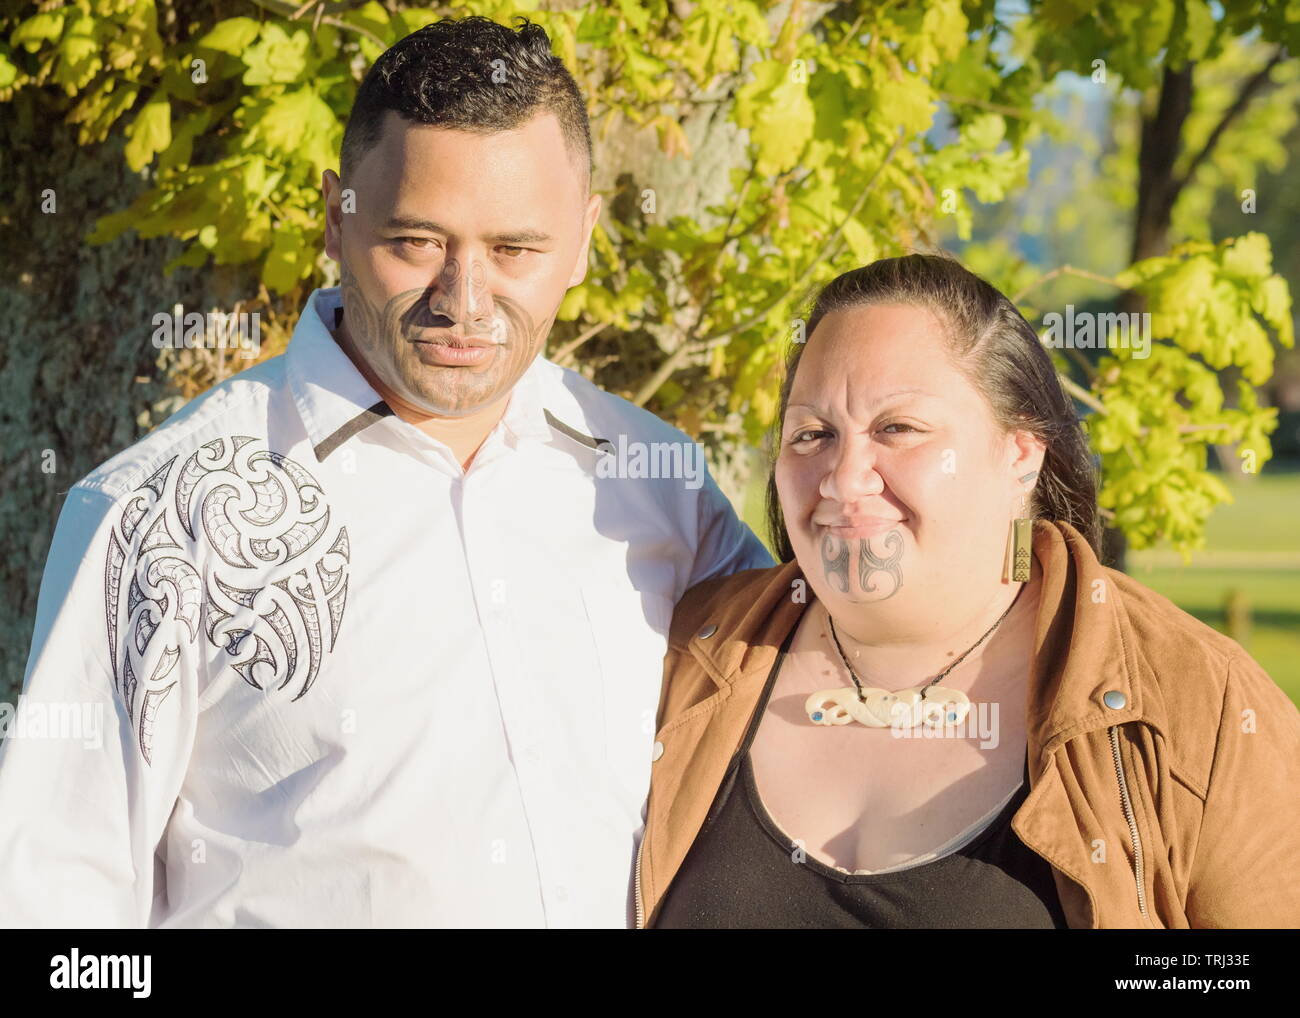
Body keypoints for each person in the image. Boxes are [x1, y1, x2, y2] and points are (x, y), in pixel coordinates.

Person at [0, 16, 771, 929]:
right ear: (336, 216)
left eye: (516, 250)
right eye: (417, 242)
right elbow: (51, 902)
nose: (465, 301)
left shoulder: (661, 484)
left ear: (587, 238)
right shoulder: (159, 514)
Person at [635, 253, 1300, 929]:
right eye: (812, 435)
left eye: (897, 429)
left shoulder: (1196, 702)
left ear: (1021, 452)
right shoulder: (685, 659)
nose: (843, 477)